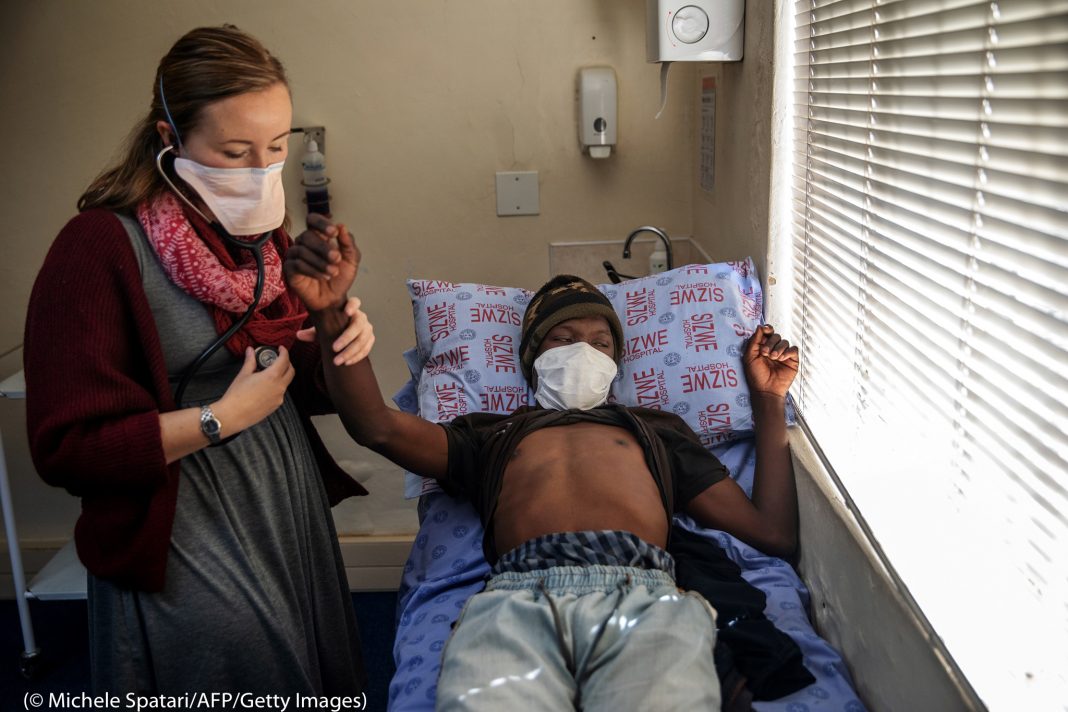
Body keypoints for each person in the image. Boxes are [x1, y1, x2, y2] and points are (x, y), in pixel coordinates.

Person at [286, 229, 799, 710]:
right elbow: (376, 426)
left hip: (642, 594)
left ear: (616, 362)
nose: (583, 351)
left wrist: (768, 399)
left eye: (601, 343)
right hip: (515, 600)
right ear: (532, 358)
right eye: (562, 338)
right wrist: (330, 311)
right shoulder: (491, 435)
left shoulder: (656, 430)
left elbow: (771, 533)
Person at [23, 25, 376, 695]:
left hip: (280, 500)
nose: (261, 172)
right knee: (236, 665)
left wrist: (334, 324)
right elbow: (66, 450)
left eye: (277, 147)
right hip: (178, 516)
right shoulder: (96, 249)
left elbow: (291, 378)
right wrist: (220, 418)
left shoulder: (261, 239)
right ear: (170, 138)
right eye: (235, 152)